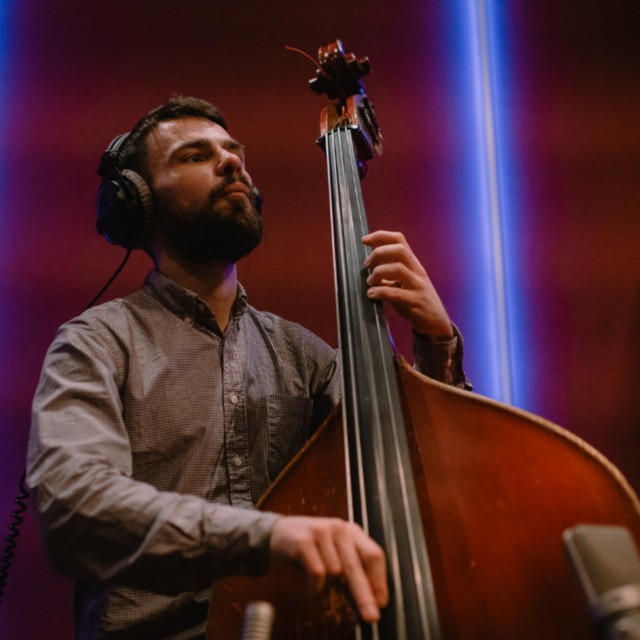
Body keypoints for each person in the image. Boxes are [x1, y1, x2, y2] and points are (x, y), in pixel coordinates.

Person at [27, 96, 471, 639]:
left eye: (233, 152)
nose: (232, 162)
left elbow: (423, 474)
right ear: (138, 204)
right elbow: (75, 509)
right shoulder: (96, 343)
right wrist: (267, 537)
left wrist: (435, 339)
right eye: (195, 156)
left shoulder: (304, 356)